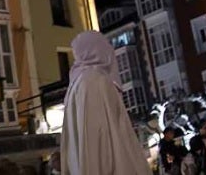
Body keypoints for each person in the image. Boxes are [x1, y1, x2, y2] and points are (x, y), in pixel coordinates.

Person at [60, 31, 151, 175]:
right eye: (106, 46)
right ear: (96, 50)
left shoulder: (78, 83)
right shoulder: (94, 81)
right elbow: (98, 139)